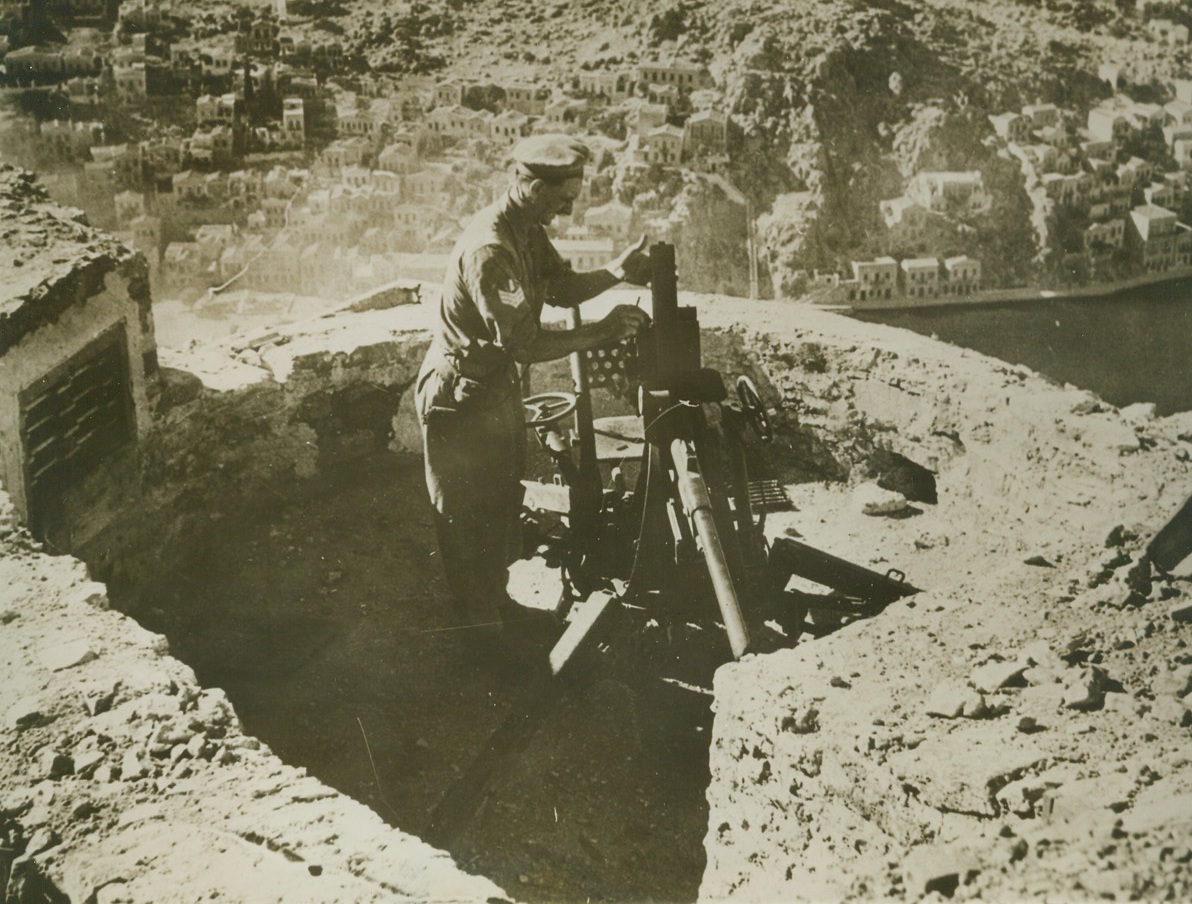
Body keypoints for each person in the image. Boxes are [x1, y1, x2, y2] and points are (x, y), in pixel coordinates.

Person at [415, 134, 652, 653]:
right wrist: (601, 332)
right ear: (533, 188)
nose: (568, 211)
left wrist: (617, 272)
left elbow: (561, 287)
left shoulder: (526, 229)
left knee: (498, 504)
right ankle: (480, 634)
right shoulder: (492, 251)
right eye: (563, 199)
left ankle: (494, 604)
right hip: (459, 399)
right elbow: (522, 342)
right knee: (465, 515)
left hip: (491, 388)